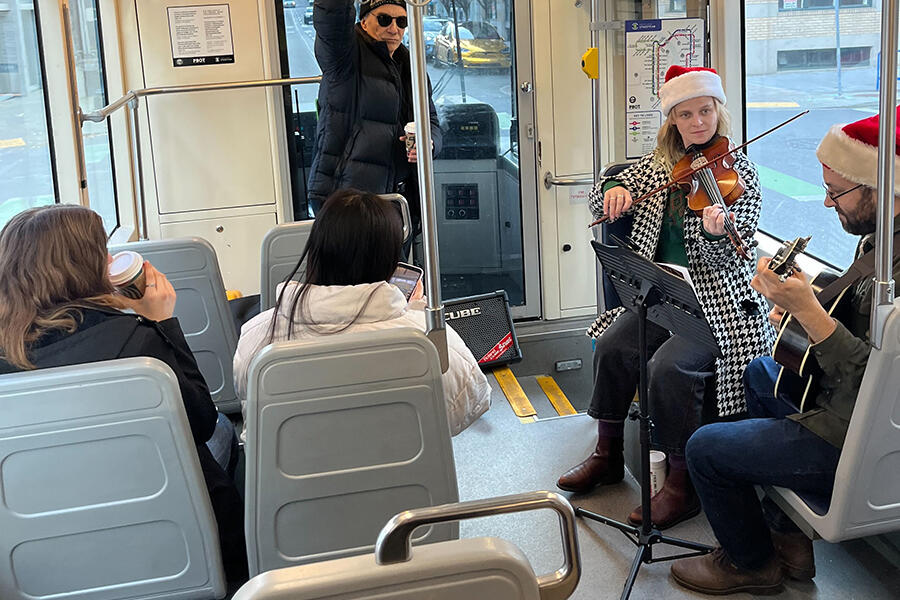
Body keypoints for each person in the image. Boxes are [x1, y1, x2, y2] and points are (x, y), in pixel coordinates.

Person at [670, 107, 900, 595]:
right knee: (759, 372)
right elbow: (858, 331)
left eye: (836, 192)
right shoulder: (878, 246)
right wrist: (806, 306)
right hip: (842, 407)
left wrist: (812, 318)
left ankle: (750, 563)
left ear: (881, 189)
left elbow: (877, 392)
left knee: (705, 449)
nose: (825, 202)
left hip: (859, 441)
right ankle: (788, 537)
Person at [556, 66, 775, 530]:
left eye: (706, 111)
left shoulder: (742, 173)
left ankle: (681, 484)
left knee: (670, 366)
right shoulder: (659, 166)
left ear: (719, 112)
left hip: (717, 305)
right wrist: (611, 191)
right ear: (672, 120)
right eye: (686, 114)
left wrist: (717, 234)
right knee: (614, 345)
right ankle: (607, 453)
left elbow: (731, 257)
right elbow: (602, 196)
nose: (698, 122)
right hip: (662, 293)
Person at [0, 205, 248, 586]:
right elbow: (200, 422)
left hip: (42, 554)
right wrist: (162, 321)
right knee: (225, 434)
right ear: (85, 267)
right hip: (169, 539)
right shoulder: (135, 343)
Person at [233, 189, 490, 436]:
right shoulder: (424, 338)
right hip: (405, 480)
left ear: (316, 252)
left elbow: (252, 415)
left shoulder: (257, 336)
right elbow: (468, 405)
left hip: (293, 480)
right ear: (389, 261)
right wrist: (415, 310)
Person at [307, 0, 442, 246]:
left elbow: (431, 120)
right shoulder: (344, 57)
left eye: (401, 21)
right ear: (364, 22)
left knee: (394, 278)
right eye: (384, 19)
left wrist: (429, 143)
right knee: (359, 279)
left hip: (397, 198)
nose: (394, 28)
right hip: (348, 198)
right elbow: (331, 20)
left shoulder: (410, 66)